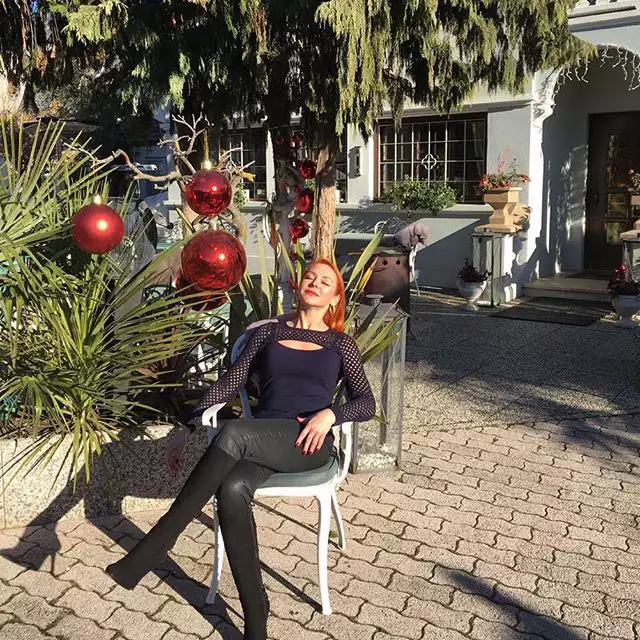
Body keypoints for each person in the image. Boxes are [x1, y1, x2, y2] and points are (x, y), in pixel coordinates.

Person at [106, 258, 375, 640]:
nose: (315, 283)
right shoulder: (267, 334)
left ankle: (155, 545)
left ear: (334, 299)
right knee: (231, 489)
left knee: (232, 433)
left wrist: (331, 414)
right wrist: (188, 427)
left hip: (307, 442)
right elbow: (228, 384)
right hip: (262, 440)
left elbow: (366, 403)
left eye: (325, 282)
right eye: (310, 277)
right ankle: (256, 612)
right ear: (298, 286)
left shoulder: (339, 344)